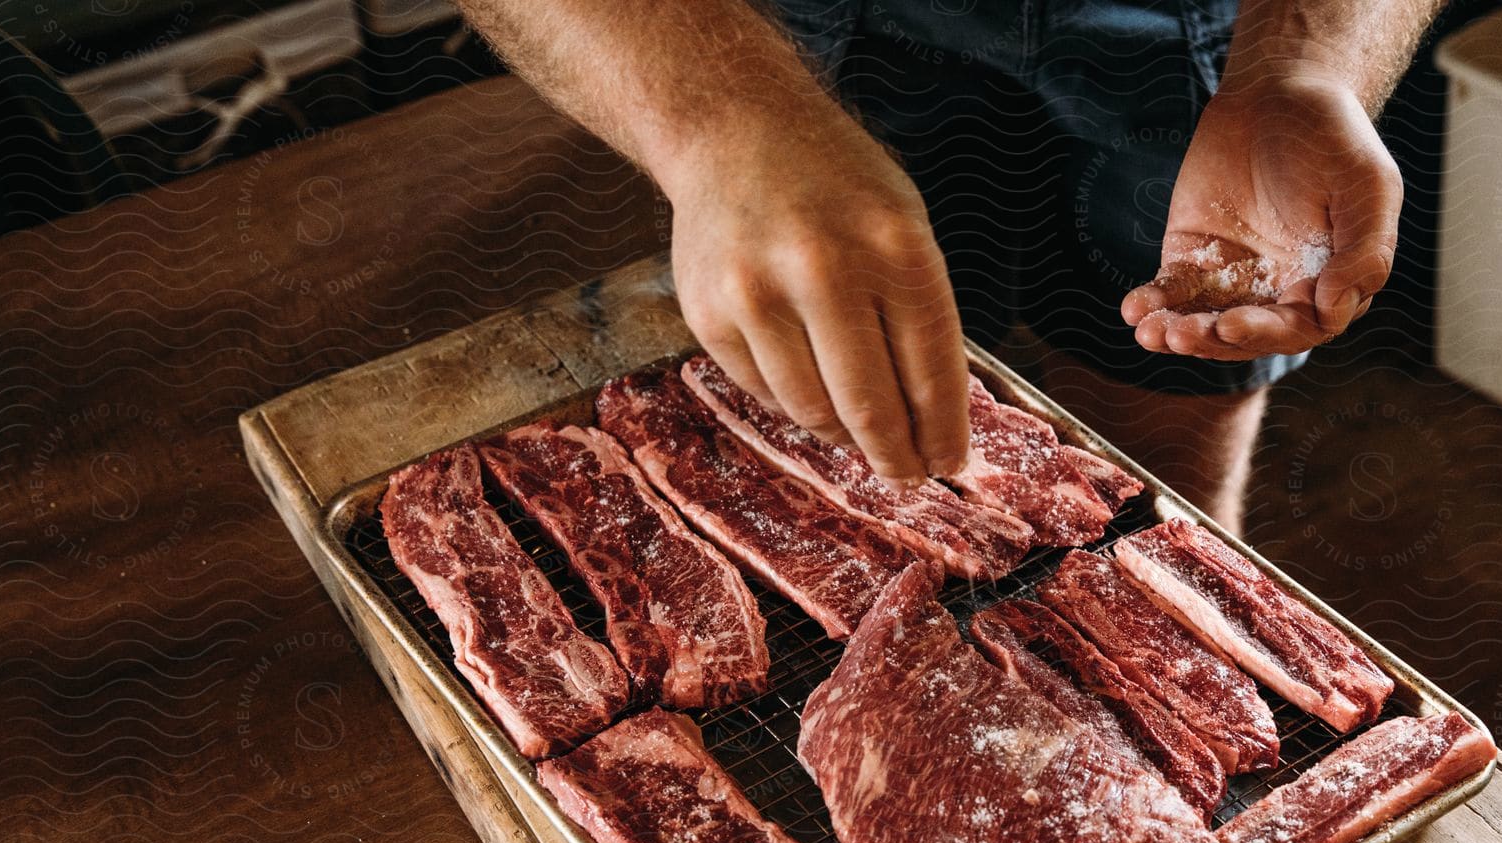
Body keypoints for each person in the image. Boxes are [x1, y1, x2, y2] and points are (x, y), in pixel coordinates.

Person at [457, 1, 1441, 530]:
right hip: (782, 33)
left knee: (1164, 476)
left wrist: (1307, 61)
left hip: (1208, 35)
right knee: (848, 476)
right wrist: (719, 123)